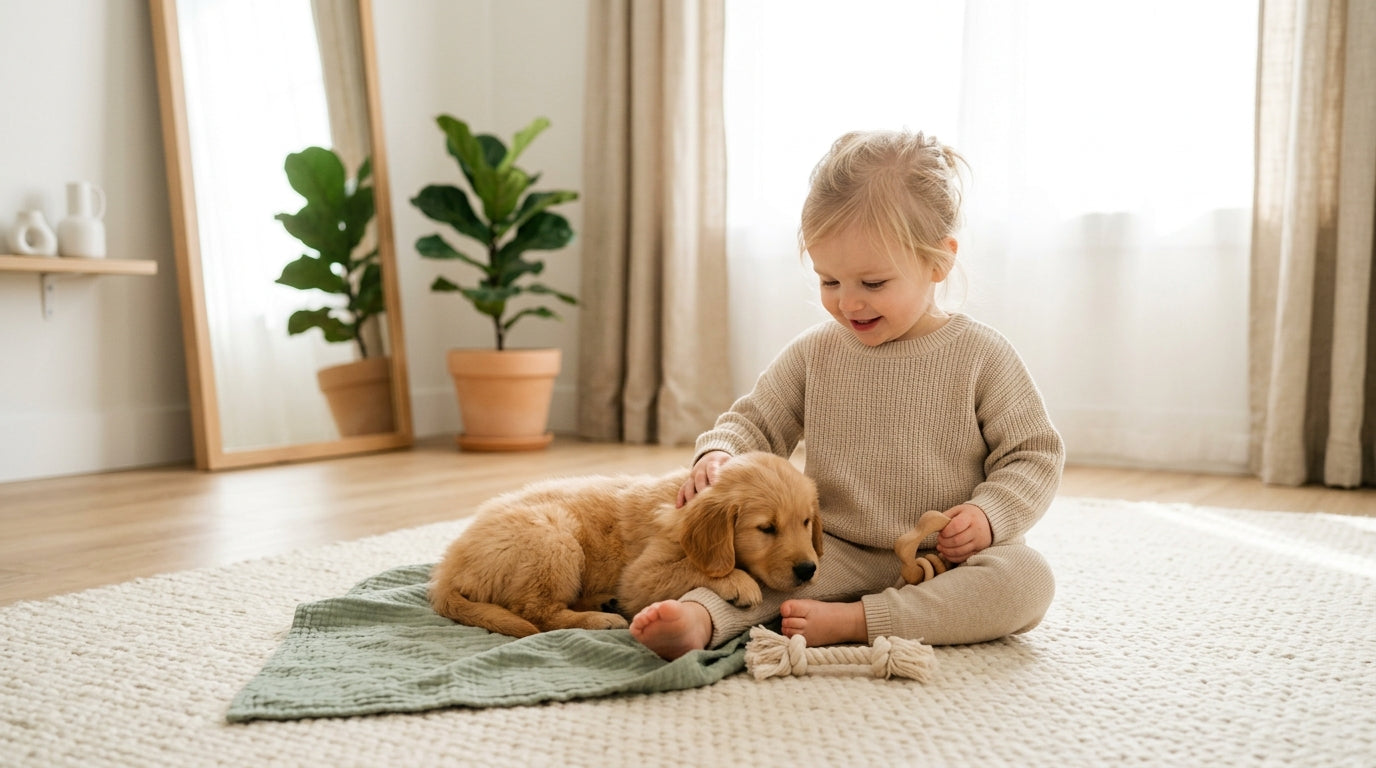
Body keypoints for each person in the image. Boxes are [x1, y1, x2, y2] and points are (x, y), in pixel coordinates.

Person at [629, 129, 1065, 660]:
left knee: (1027, 580)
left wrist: (991, 515)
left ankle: (859, 621)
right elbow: (756, 420)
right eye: (829, 281)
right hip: (835, 549)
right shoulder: (816, 352)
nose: (848, 303)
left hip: (949, 559)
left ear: (938, 263)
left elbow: (1033, 453)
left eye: (873, 283)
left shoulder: (982, 354)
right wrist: (719, 452)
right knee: (764, 572)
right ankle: (702, 619)